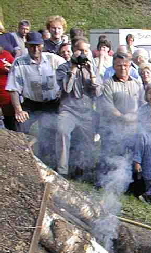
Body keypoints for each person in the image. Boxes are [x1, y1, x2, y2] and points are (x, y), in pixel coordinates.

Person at [6, 31, 66, 166]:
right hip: (31, 103)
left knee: (49, 132)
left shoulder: (54, 60)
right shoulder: (19, 63)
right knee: (20, 127)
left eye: (38, 45)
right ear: (27, 46)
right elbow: (13, 89)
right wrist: (18, 110)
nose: (35, 49)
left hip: (51, 103)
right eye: (32, 46)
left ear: (42, 45)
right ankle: (22, 161)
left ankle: (47, 164)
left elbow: (69, 72)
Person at [55, 38, 101, 179]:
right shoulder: (63, 67)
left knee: (89, 140)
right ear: (73, 51)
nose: (82, 54)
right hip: (68, 109)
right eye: (79, 50)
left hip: (86, 111)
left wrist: (92, 73)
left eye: (85, 51)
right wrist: (73, 69)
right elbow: (66, 89)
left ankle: (84, 169)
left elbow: (98, 93)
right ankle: (62, 170)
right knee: (62, 131)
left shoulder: (91, 67)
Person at [98, 52, 144, 184]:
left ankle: (131, 184)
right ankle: (108, 183)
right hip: (114, 128)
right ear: (114, 66)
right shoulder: (108, 84)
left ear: (130, 66)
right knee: (112, 158)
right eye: (119, 65)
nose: (123, 68)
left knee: (130, 157)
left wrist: (135, 117)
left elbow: (143, 105)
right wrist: (124, 118)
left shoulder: (137, 84)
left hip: (134, 128)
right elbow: (108, 106)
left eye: (125, 65)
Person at [0, 45, 15, 130]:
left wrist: (11, 68)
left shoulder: (6, 54)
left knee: (10, 119)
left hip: (6, 92)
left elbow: (15, 68)